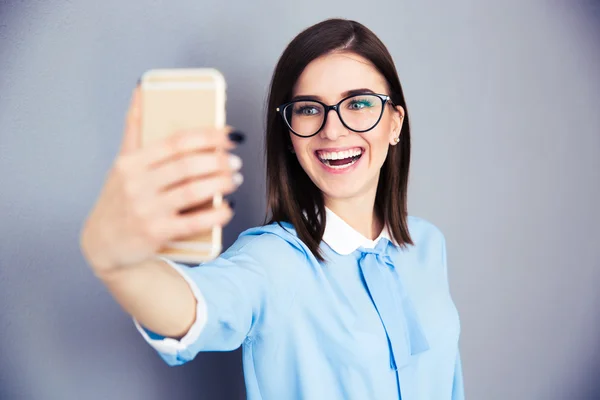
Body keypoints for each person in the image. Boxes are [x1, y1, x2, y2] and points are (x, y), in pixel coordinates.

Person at [80, 18, 464, 400]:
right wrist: (119, 264)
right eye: (309, 109)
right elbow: (197, 306)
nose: (332, 129)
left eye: (359, 103)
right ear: (290, 135)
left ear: (395, 123)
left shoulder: (428, 244)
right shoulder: (271, 260)